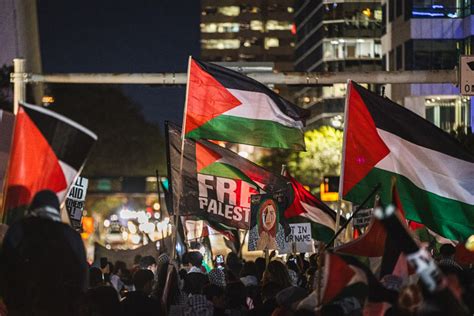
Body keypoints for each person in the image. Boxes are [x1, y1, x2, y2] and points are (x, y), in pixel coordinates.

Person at [0, 190, 88, 316]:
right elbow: (82, 275)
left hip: (23, 307)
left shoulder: (18, 229)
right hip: (61, 307)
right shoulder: (70, 235)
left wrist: (11, 302)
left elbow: (5, 267)